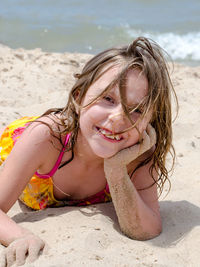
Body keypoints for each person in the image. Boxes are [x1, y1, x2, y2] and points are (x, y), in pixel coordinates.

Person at [0, 37, 177, 266]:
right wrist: (21, 236)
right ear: (79, 96)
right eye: (108, 98)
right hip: (26, 142)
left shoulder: (139, 154)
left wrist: (115, 170)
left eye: (136, 110)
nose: (118, 118)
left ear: (150, 121)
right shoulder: (46, 138)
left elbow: (148, 230)